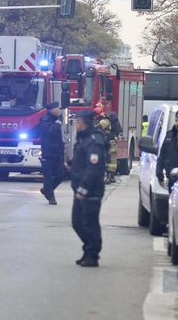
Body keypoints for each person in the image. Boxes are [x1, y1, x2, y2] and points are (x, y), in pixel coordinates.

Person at [71, 110, 106, 267]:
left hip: (90, 190)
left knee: (90, 223)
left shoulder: (94, 141)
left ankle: (93, 254)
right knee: (77, 222)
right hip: (80, 189)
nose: (75, 125)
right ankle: (88, 250)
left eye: (77, 122)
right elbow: (81, 163)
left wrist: (83, 190)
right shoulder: (83, 139)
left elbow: (93, 169)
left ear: (84, 123)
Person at [155, 110, 178, 191]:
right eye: (176, 120)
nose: (177, 123)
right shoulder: (169, 135)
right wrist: (159, 172)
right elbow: (162, 155)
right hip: (171, 178)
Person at [39, 102, 64, 205]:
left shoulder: (55, 119)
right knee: (48, 176)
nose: (59, 111)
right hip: (48, 152)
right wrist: (57, 123)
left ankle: (46, 190)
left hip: (57, 152)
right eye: (57, 109)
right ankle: (51, 197)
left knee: (60, 175)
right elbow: (50, 132)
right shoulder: (45, 120)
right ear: (52, 110)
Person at [94, 105, 117, 184]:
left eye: (96, 114)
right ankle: (110, 177)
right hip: (106, 141)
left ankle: (110, 177)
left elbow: (99, 128)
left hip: (111, 142)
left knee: (110, 160)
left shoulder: (104, 120)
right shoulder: (99, 120)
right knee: (107, 159)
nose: (95, 116)